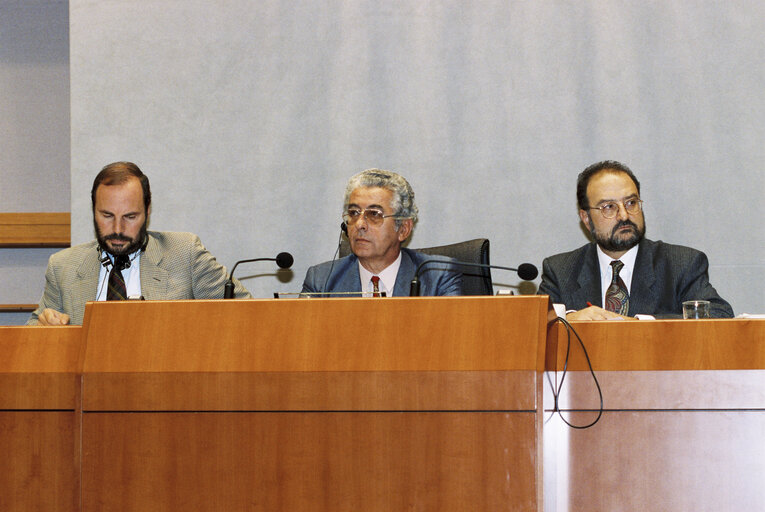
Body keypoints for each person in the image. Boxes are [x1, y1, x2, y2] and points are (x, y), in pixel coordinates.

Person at [27, 162, 250, 326]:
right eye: (107, 216)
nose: (117, 229)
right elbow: (32, 336)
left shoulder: (185, 254)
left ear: (147, 212)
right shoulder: (63, 266)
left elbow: (248, 314)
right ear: (93, 211)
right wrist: (45, 327)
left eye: (130, 217)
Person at [538, 160, 733, 320]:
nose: (624, 215)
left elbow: (719, 316)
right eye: (609, 207)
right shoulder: (561, 271)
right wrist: (566, 319)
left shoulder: (680, 264)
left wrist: (639, 324)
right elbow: (531, 327)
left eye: (631, 203)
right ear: (586, 219)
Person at [302, 168, 462, 297]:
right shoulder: (322, 281)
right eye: (354, 213)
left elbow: (450, 335)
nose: (360, 224)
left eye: (374, 214)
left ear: (403, 229)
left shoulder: (437, 277)